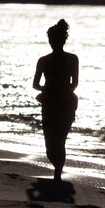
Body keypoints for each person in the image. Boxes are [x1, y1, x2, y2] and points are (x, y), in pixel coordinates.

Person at [33, 19, 79, 182]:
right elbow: (35, 84)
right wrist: (49, 91)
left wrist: (59, 92)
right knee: (50, 145)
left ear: (62, 40)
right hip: (51, 103)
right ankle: (58, 170)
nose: (53, 42)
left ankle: (58, 173)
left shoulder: (73, 58)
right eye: (52, 40)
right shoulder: (43, 60)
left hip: (65, 103)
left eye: (55, 40)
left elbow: (74, 83)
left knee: (59, 140)